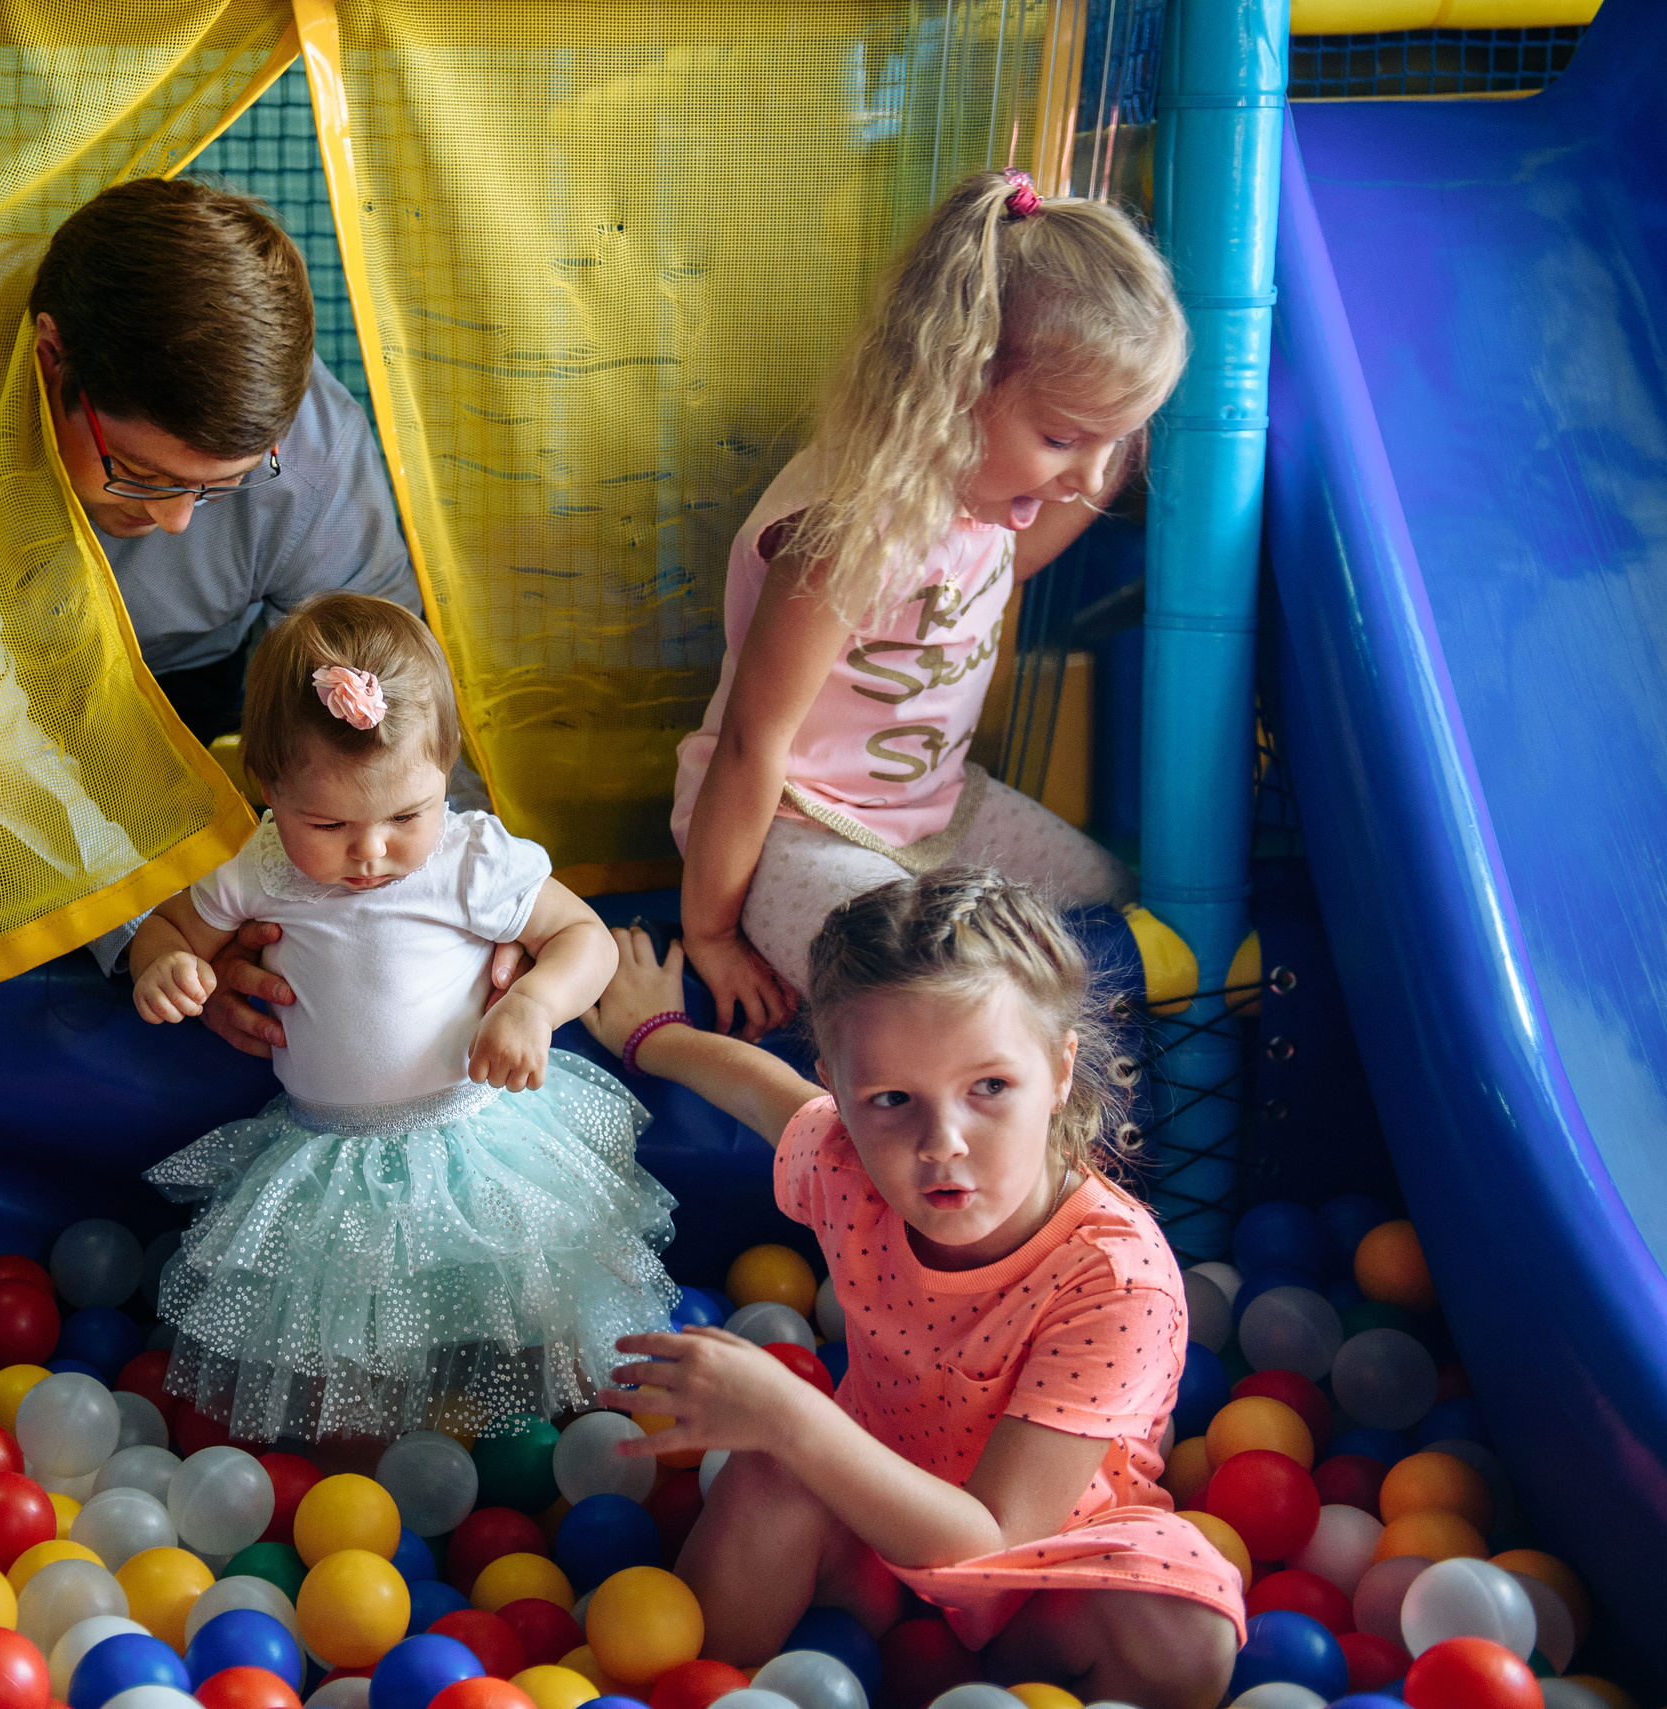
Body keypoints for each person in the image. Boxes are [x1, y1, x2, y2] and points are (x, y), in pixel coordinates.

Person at [580, 870, 1241, 1705]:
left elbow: (996, 1535)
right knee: (767, 1474)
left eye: (990, 1088)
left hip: (1047, 1566)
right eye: (892, 1098)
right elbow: (757, 1089)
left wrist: (789, 1414)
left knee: (1187, 1630)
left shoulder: (1115, 1278)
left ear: (1062, 1068)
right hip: (868, 1518)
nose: (943, 1143)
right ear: (842, 1095)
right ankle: (719, 1686)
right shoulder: (844, 1159)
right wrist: (654, 1034)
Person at [126, 592, 676, 1440]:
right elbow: (169, 924)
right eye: (329, 822)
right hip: (331, 1160)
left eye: (406, 814)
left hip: (481, 1138)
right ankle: (385, 1478)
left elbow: (584, 938)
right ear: (267, 788)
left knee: (545, 1311)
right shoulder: (264, 865)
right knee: (351, 1365)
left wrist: (533, 1002)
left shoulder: (469, 859)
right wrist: (164, 961)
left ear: (446, 768)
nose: (371, 850)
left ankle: (575, 1442)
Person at [673, 169, 1188, 1040]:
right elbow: (752, 747)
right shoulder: (843, 532)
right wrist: (711, 933)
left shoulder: (990, 497)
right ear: (957, 385)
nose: (1089, 479)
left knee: (1112, 909)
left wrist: (1099, 444)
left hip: (938, 810)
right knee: (924, 1007)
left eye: (1115, 441)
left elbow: (1009, 561)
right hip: (797, 830)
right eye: (1064, 438)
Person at [29, 178, 507, 1042]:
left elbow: (399, 700)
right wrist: (148, 933)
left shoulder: (310, 454)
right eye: (142, 472)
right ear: (51, 358)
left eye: (220, 487)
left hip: (189, 668)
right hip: (8, 696)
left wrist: (467, 887)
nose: (173, 521)